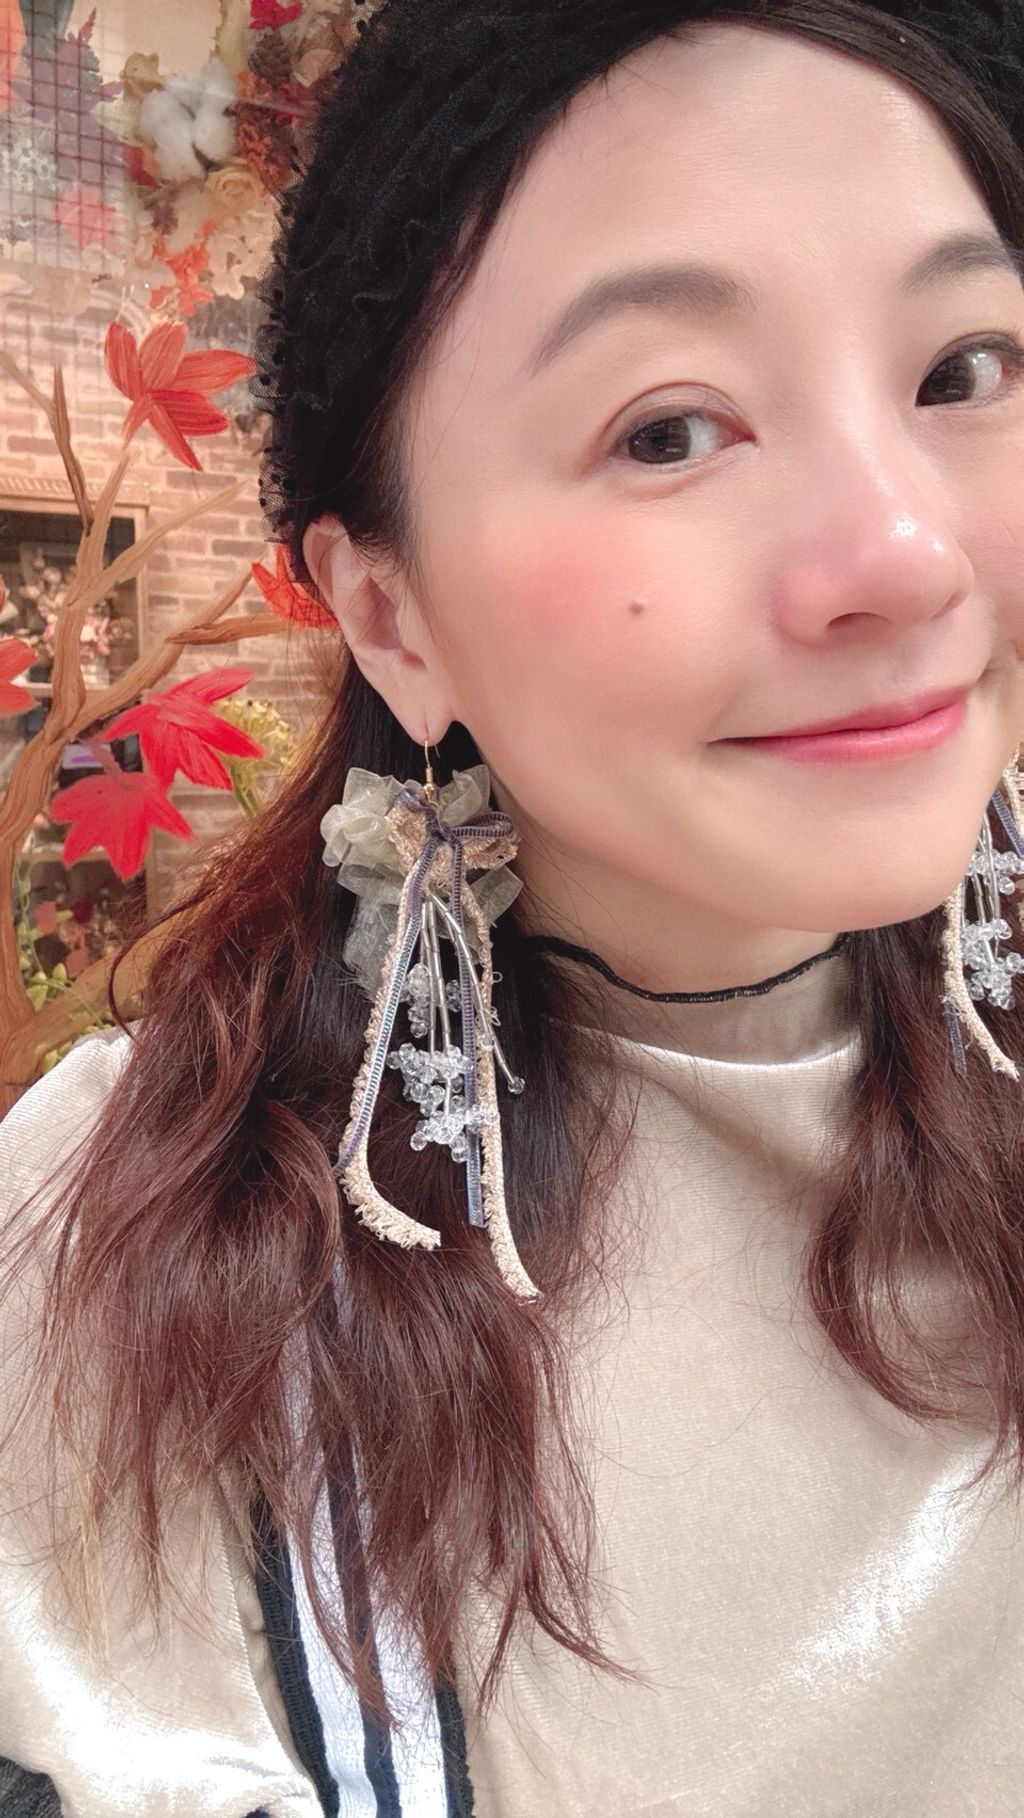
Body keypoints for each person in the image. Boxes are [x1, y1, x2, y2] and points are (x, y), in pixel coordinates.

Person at [2, 0, 1024, 1811]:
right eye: (672, 428)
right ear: (389, 615)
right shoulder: (110, 1240)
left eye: (963, 370)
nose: (904, 553)